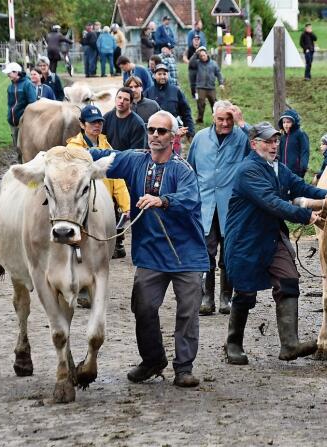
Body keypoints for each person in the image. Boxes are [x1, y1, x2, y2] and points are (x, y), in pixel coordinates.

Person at [88, 111, 209, 387]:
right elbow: (103, 156)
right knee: (142, 307)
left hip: (186, 255)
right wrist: (70, 152)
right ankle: (153, 360)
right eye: (151, 129)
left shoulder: (183, 169)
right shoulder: (134, 160)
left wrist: (162, 201)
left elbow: (191, 199)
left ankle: (184, 368)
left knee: (188, 312)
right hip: (150, 254)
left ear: (174, 136)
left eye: (162, 131)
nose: (155, 135)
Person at [223, 122, 327, 365]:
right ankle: (233, 344)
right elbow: (271, 202)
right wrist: (306, 215)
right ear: (254, 144)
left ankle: (289, 345)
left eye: (276, 141)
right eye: (268, 141)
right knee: (245, 292)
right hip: (245, 238)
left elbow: (301, 186)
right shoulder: (248, 171)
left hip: (272, 236)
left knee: (288, 279)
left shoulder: (278, 168)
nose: (274, 145)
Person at [187, 101, 250, 316]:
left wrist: (243, 124)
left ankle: (226, 297)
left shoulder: (242, 138)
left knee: (229, 252)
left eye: (229, 119)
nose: (225, 123)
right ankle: (206, 297)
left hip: (231, 205)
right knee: (206, 251)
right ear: (213, 117)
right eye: (220, 119)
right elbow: (190, 169)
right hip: (204, 205)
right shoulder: (200, 138)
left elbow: (259, 151)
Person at [66, 105, 131, 260]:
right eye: (92, 122)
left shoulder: (106, 145)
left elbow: (117, 179)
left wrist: (126, 206)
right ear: (82, 124)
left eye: (99, 122)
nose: (97, 125)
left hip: (105, 204)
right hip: (83, 203)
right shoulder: (72, 148)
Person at [144, 64, 194, 139]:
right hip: (154, 133)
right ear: (154, 75)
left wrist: (190, 130)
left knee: (174, 150)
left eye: (164, 74)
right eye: (159, 74)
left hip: (173, 132)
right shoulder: (148, 92)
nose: (162, 76)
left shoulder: (176, 91)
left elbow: (186, 111)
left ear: (168, 75)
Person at [3, 62, 37, 160]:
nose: (8, 75)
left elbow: (33, 104)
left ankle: (27, 164)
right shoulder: (10, 87)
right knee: (16, 147)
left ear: (16, 72)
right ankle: (20, 164)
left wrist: (26, 118)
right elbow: (10, 104)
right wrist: (9, 116)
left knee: (23, 146)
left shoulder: (27, 84)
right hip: (12, 122)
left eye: (9, 73)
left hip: (24, 122)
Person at [193, 47, 224, 124]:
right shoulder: (197, 63)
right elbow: (191, 62)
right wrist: (196, 53)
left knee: (214, 104)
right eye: (201, 56)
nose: (202, 57)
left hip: (211, 87)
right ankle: (200, 119)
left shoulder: (213, 63)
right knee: (200, 103)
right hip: (200, 87)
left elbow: (219, 74)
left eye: (204, 55)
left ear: (207, 54)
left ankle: (217, 119)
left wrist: (221, 83)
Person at [277, 109, 309, 179]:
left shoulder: (300, 134)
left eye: (288, 122)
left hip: (296, 172)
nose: (285, 125)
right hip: (284, 172)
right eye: (284, 122)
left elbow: (305, 151)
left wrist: (303, 168)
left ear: (294, 122)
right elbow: (281, 154)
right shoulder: (283, 137)